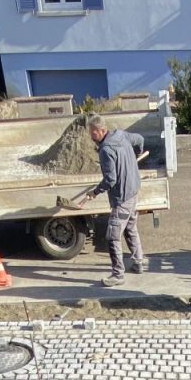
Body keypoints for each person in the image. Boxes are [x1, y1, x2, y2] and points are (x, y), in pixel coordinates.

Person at [71, 114, 146, 285]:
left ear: (102, 130)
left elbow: (111, 179)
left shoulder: (106, 150)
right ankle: (138, 262)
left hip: (122, 198)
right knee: (130, 228)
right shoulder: (121, 135)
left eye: (93, 133)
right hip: (133, 191)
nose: (91, 137)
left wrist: (95, 192)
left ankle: (118, 275)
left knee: (112, 237)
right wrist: (138, 152)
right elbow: (140, 139)